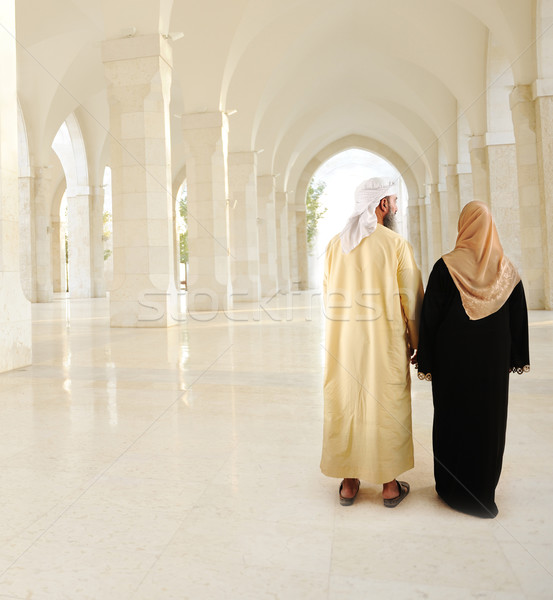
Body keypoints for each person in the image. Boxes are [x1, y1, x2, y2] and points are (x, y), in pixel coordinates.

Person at [416, 201, 529, 518]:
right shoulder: (506, 270)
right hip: (492, 364)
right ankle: (481, 491)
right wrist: (515, 356)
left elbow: (430, 318)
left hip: (452, 361)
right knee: (488, 421)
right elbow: (517, 319)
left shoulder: (445, 267)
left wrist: (426, 359)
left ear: (463, 226)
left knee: (453, 417)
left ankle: (452, 488)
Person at [320, 177, 424, 507]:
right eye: (393, 201)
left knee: (347, 401)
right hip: (384, 342)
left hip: (344, 343)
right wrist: (418, 340)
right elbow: (413, 300)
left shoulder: (337, 245)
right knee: (385, 405)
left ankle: (349, 483)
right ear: (381, 205)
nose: (396, 207)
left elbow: (327, 293)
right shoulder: (395, 244)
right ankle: (390, 486)